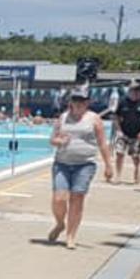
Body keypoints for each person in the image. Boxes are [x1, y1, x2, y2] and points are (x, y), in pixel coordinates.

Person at [48, 85, 111, 250]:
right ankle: (60, 223)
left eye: (82, 101)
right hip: (62, 163)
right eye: (75, 100)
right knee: (59, 198)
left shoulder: (94, 119)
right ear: (71, 102)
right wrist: (59, 142)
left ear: (87, 102)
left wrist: (108, 165)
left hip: (85, 165)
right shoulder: (62, 118)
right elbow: (52, 139)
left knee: (77, 199)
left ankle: (71, 236)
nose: (78, 104)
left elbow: (102, 143)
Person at [112, 81, 140, 185]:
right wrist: (118, 130)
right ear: (129, 91)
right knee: (119, 154)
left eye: (138, 90)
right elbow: (115, 117)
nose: (136, 92)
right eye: (134, 90)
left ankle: (137, 173)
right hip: (123, 133)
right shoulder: (123, 102)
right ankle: (118, 176)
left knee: (135, 156)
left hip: (136, 134)